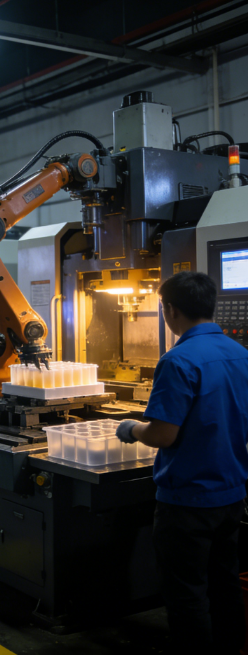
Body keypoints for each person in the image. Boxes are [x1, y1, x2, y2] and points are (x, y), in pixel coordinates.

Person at [116, 272, 248, 655]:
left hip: (187, 502)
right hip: (232, 496)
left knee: (186, 592)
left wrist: (131, 429)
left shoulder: (178, 361)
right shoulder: (240, 353)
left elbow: (162, 435)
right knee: (224, 583)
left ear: (170, 310)